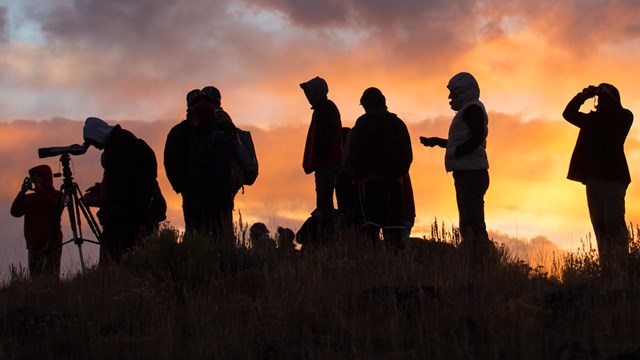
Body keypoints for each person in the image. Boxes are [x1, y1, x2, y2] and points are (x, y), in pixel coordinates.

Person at [562, 83, 633, 272]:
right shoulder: (592, 120)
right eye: (600, 97)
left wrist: (605, 94)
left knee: (614, 222)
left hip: (613, 179)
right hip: (593, 180)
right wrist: (584, 95)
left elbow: (615, 115)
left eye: (604, 96)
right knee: (600, 226)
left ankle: (623, 269)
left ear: (614, 99)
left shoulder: (624, 116)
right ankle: (608, 271)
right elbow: (568, 113)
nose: (600, 99)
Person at [420, 72, 491, 256]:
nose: (450, 98)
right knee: (468, 221)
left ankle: (482, 259)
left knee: (473, 221)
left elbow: (477, 137)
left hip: (471, 173)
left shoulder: (472, 109)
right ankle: (474, 257)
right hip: (468, 172)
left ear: (462, 92)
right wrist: (437, 142)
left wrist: (457, 152)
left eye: (453, 93)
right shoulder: (469, 109)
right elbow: (467, 139)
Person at [83, 117, 164, 263]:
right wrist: (102, 188)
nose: (95, 147)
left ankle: (112, 278)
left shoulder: (120, 147)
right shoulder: (122, 141)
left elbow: (122, 186)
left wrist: (90, 199)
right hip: (138, 211)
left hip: (131, 214)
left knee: (119, 254)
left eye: (93, 142)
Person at [343, 87, 412, 249]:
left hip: (369, 184)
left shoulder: (363, 123)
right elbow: (408, 156)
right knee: (394, 233)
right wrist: (399, 174)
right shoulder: (398, 123)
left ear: (366, 104)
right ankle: (395, 266)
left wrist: (355, 175)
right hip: (395, 185)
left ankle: (372, 266)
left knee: (370, 231)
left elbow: (355, 153)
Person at [182, 99, 234, 243]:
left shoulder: (218, 139)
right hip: (199, 204)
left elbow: (221, 174)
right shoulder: (198, 138)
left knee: (216, 241)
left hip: (213, 205)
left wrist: (209, 197)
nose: (192, 120)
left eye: (195, 116)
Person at [300, 76, 343, 242]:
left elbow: (324, 139)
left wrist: (317, 159)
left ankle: (328, 236)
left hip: (328, 164)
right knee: (324, 202)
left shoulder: (326, 109)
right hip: (326, 163)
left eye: (310, 92)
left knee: (325, 203)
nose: (308, 96)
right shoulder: (323, 108)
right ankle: (327, 235)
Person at [10, 165, 63, 277]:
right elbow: (15, 212)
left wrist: (40, 191)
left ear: (46, 177)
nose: (35, 179)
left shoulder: (57, 194)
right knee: (36, 283)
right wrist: (22, 193)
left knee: (51, 279)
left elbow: (56, 207)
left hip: (51, 245)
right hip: (33, 246)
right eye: (33, 177)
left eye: (39, 176)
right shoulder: (29, 198)